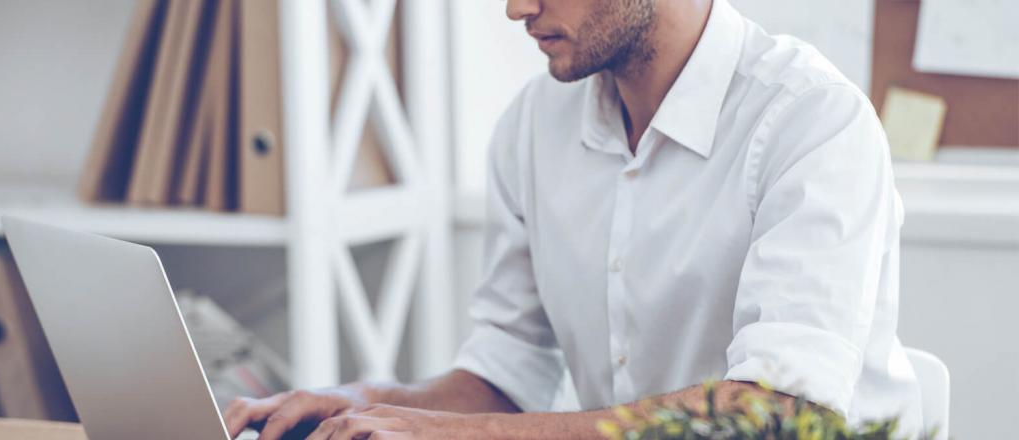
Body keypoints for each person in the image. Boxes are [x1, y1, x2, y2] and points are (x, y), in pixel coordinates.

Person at [224, 0, 924, 438]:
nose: (514, 7)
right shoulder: (533, 123)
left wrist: (447, 435)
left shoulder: (812, 121)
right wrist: (363, 403)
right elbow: (508, 373)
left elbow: (777, 414)